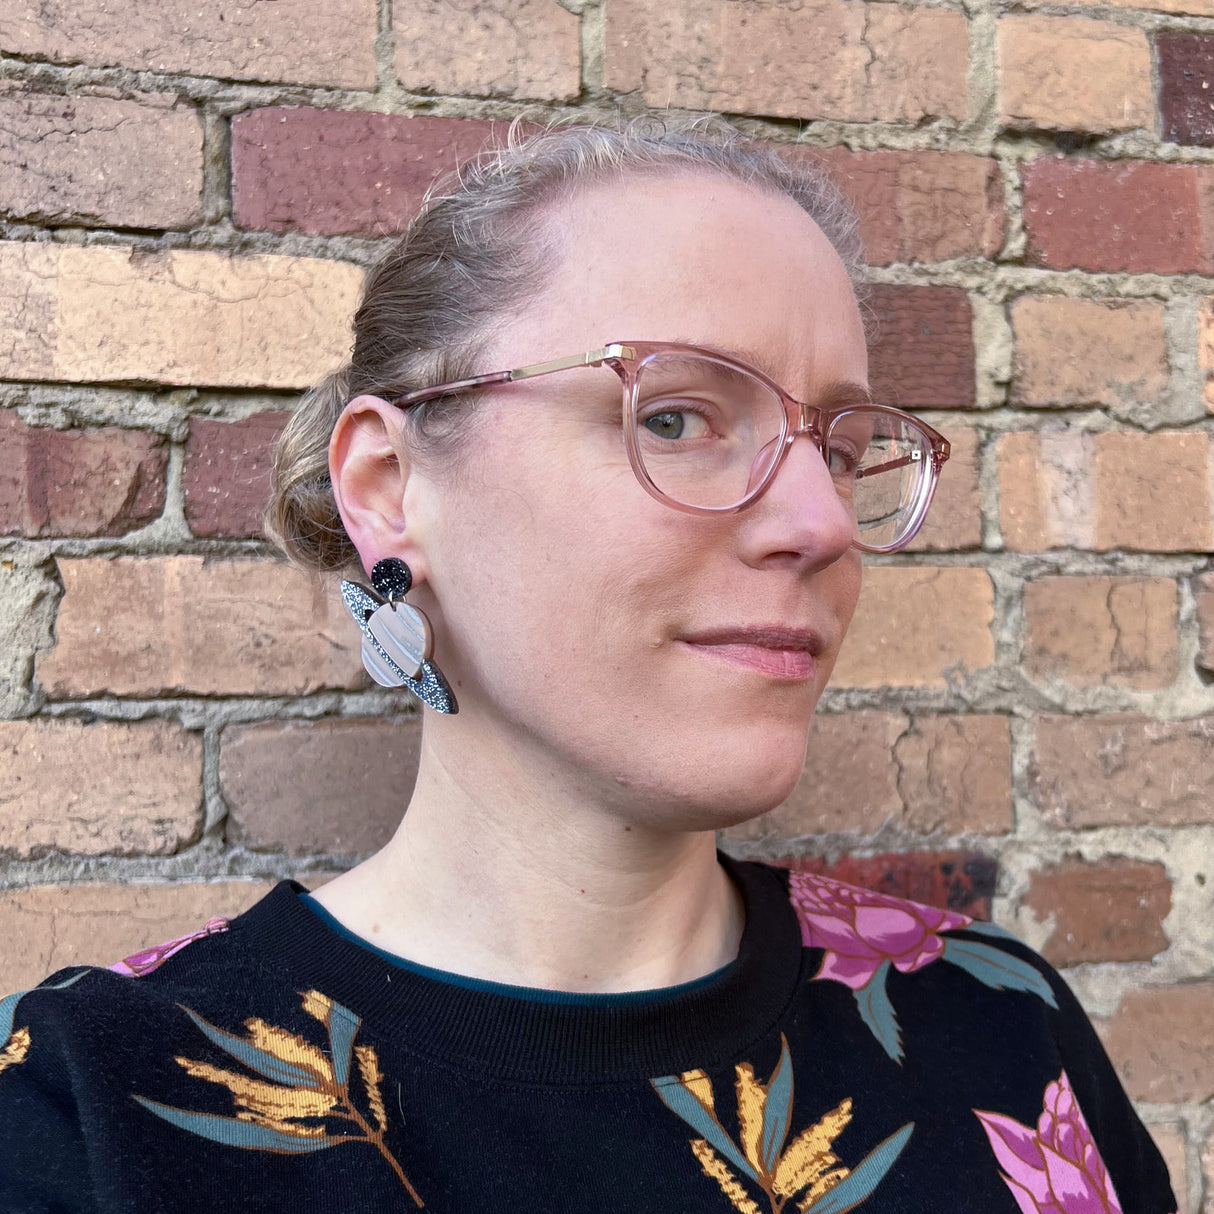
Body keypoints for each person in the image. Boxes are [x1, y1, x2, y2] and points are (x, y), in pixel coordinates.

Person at [0, 119, 1175, 1213]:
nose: (818, 522)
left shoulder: (996, 1031)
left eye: (840, 447)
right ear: (388, 488)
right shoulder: (84, 1113)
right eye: (673, 416)